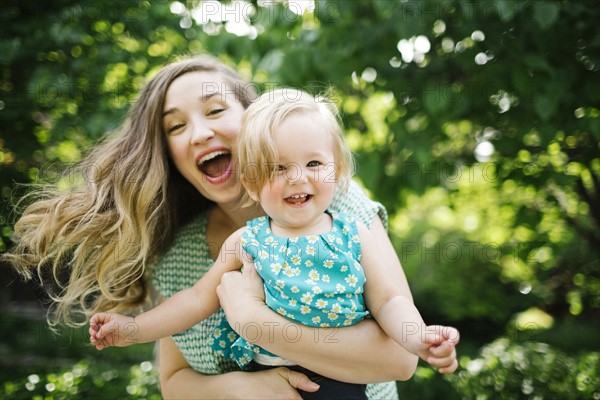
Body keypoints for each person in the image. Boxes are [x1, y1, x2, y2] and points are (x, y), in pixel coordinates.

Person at [4, 54, 458, 399]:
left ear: (254, 121)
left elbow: (398, 357)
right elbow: (177, 378)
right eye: (176, 126)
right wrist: (249, 389)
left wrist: (255, 323)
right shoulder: (192, 248)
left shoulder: (339, 210)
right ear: (168, 153)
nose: (199, 133)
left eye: (215, 110)